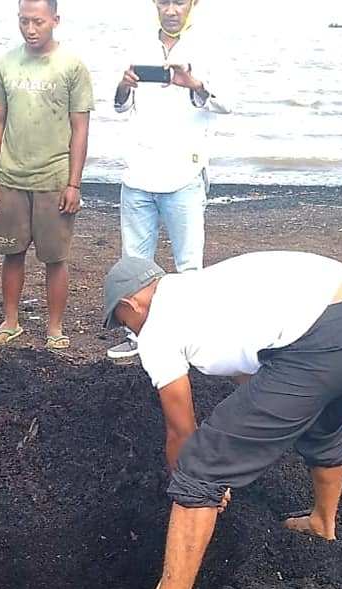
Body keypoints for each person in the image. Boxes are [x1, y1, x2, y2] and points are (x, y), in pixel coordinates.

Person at [98, 251, 342, 589]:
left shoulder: (157, 330)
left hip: (324, 339)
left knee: (201, 463)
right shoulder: (198, 287)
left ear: (130, 304)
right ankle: (322, 522)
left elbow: (181, 428)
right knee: (320, 420)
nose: (130, 331)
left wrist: (198, 483)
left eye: (122, 322)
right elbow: (257, 376)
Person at [106, 0, 231, 360]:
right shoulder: (137, 42)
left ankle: (189, 339)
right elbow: (118, 106)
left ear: (193, 4)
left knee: (189, 264)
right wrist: (124, 85)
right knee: (134, 260)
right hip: (138, 171)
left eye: (179, 1)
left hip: (185, 172)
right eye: (164, 1)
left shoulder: (209, 46)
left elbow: (228, 102)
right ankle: (137, 336)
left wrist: (195, 83)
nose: (171, 9)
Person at [0, 0, 94, 350]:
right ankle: (10, 321)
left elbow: (80, 127)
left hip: (55, 180)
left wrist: (74, 183)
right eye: (24, 21)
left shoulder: (72, 66)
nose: (30, 29)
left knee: (55, 258)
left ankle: (55, 328)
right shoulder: (4, 63)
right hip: (12, 176)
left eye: (38, 22)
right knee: (11, 252)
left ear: (55, 21)